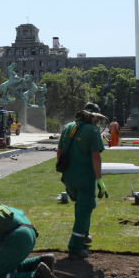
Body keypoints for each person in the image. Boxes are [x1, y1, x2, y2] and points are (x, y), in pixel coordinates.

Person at [57, 102, 106, 260]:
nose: (98, 121)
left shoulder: (67, 127)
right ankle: (75, 248)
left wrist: (64, 173)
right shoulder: (92, 131)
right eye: (96, 118)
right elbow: (95, 157)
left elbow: (60, 152)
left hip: (69, 177)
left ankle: (85, 235)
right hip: (85, 177)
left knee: (83, 207)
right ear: (90, 116)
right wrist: (99, 180)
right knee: (84, 210)